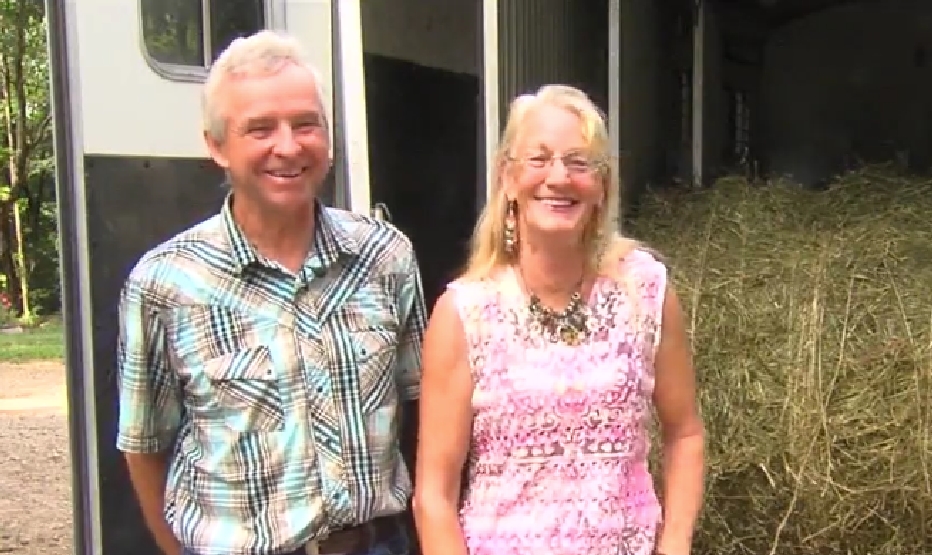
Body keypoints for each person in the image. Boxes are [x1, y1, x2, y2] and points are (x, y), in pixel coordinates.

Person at [115, 30, 425, 555]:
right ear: (216, 145)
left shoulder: (385, 256)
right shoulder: (166, 283)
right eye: (259, 129)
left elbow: (425, 411)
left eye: (305, 124)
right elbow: (145, 447)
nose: (288, 146)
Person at [412, 84, 706, 555]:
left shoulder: (644, 292)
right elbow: (434, 496)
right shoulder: (465, 314)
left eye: (578, 161)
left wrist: (674, 544)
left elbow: (685, 433)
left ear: (602, 186)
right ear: (507, 178)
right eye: (539, 159)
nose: (558, 177)